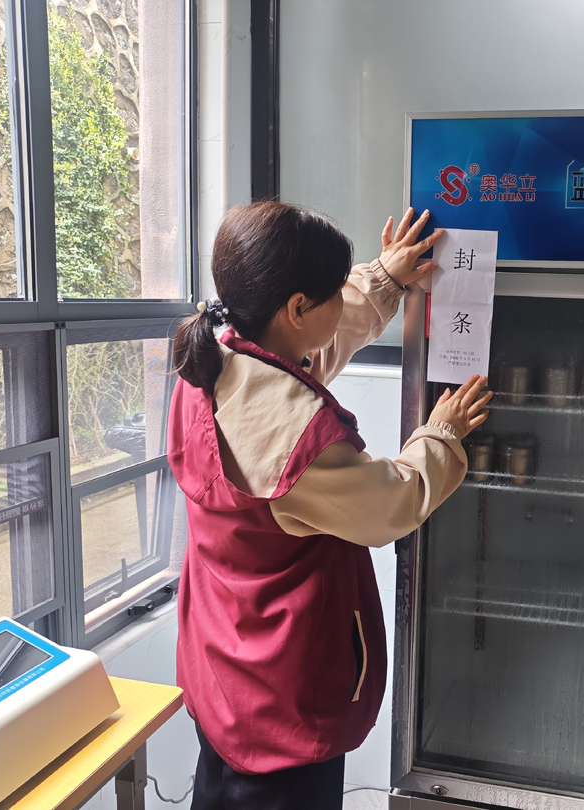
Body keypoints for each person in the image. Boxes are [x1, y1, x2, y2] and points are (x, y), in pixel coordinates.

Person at [166, 202, 491, 810]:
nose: (342, 300)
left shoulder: (216, 354)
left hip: (225, 665)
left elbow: (309, 355)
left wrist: (384, 280)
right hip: (282, 694)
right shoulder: (295, 441)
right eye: (335, 292)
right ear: (296, 307)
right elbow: (391, 504)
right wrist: (440, 433)